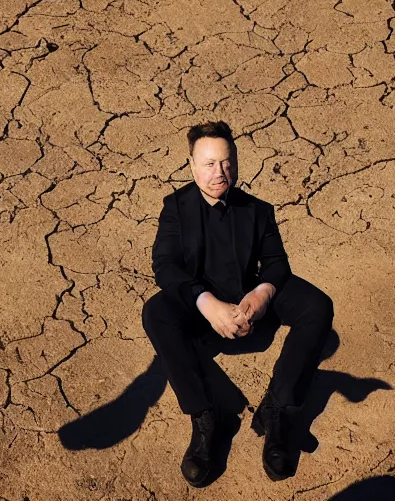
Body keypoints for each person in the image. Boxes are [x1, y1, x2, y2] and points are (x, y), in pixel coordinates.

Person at [142, 121, 334, 486]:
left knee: (318, 306)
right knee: (156, 312)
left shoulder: (257, 209)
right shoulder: (176, 208)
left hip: (249, 299)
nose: (220, 173)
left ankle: (277, 410)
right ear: (192, 165)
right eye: (210, 164)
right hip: (203, 305)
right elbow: (164, 266)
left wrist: (262, 293)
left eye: (227, 163)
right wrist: (205, 301)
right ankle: (207, 416)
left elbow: (277, 263)